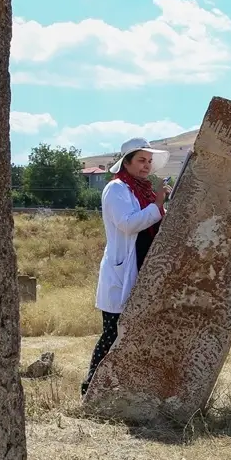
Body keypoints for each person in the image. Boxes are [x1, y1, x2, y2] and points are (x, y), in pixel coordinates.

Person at [81, 137, 173, 396]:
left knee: (136, 334)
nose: (146, 166)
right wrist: (157, 205)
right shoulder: (117, 189)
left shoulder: (140, 190)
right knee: (113, 333)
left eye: (149, 161)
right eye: (141, 160)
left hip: (141, 268)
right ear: (127, 162)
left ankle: (126, 390)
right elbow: (128, 224)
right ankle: (91, 387)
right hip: (123, 271)